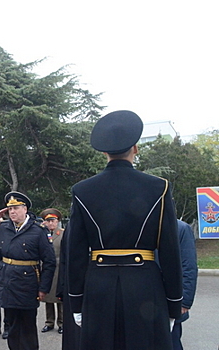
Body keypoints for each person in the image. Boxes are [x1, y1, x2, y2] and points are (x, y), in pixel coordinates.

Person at [67, 110, 183, 350]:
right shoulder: (158, 187)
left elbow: (76, 254)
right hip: (145, 288)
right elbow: (170, 251)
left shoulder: (82, 190)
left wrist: (76, 303)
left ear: (103, 152)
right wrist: (173, 304)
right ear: (136, 148)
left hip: (98, 287)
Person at [0, 191, 56, 350]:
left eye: (16, 208)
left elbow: (49, 261)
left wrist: (44, 288)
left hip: (27, 284)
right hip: (7, 283)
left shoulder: (38, 230)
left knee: (28, 326)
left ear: (25, 209)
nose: (12, 212)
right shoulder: (3, 228)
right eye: (10, 209)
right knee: (12, 325)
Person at [172, 220, 198, 350]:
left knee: (172, 343)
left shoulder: (181, 228)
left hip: (171, 301)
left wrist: (185, 302)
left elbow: (189, 267)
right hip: (147, 301)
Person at [39, 208, 64, 334]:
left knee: (59, 298)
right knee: (47, 297)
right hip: (47, 269)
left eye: (52, 220)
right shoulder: (42, 234)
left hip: (59, 268)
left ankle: (61, 323)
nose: (50, 223)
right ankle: (49, 322)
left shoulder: (63, 234)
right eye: (47, 221)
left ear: (57, 221)